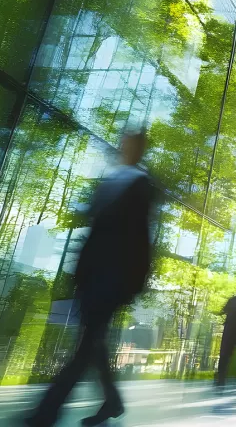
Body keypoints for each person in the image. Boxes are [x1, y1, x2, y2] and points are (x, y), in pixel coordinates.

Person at [25, 132, 155, 427]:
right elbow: (95, 231)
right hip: (93, 275)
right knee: (93, 341)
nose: (125, 148)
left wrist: (135, 282)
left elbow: (141, 238)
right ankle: (112, 401)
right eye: (124, 143)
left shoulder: (140, 185)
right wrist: (79, 272)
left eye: (131, 144)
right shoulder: (111, 181)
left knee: (86, 344)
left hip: (114, 277)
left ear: (139, 149)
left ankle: (48, 411)